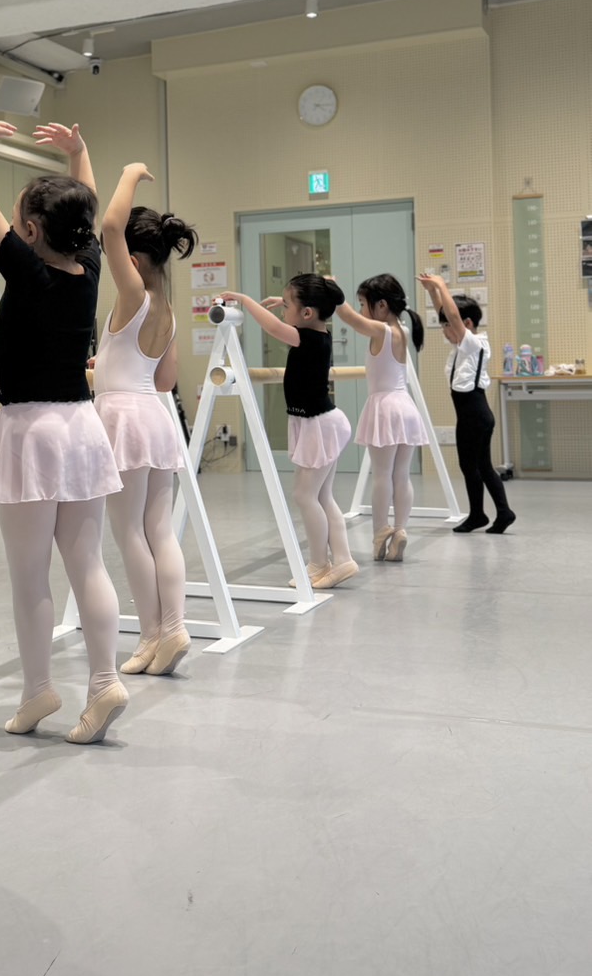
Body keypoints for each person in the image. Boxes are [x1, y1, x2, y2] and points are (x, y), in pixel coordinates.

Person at [0, 118, 128, 744]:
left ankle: (38, 690)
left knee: (30, 575)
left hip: (31, 429)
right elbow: (83, 208)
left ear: (30, 231)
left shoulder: (28, 273)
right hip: (81, 425)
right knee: (88, 564)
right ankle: (104, 680)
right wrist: (79, 152)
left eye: (17, 219)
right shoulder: (88, 269)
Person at [95, 162, 196, 676]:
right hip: (155, 416)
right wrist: (111, 362)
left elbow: (110, 226)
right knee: (160, 529)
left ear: (131, 260)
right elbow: (164, 379)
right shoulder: (168, 310)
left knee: (129, 532)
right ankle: (174, 626)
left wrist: (131, 173)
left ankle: (152, 634)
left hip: (123, 419)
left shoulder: (132, 295)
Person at [220, 276, 358, 588]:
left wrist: (245, 300)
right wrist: (280, 301)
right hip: (320, 422)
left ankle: (320, 563)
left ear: (307, 313)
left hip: (319, 425)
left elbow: (273, 327)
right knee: (321, 496)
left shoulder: (306, 338)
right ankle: (342, 559)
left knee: (305, 495)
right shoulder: (317, 333)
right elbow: (286, 319)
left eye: (287, 305)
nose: (283, 310)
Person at [333, 274, 428, 562]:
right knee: (402, 475)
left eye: (364, 303)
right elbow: (354, 316)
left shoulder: (381, 331)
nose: (361, 309)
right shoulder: (403, 330)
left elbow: (348, 317)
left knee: (382, 475)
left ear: (382, 305)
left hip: (385, 407)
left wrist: (331, 288)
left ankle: (380, 532)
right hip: (405, 406)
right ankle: (400, 529)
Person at [419, 274, 515, 535]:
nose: (445, 330)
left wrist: (441, 284)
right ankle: (491, 513)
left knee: (474, 466)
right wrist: (432, 291)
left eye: (448, 325)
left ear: (468, 323)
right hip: (471, 415)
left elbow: (452, 314)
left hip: (475, 414)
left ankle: (486, 514)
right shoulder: (463, 348)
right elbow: (446, 312)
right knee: (476, 465)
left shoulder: (473, 343)